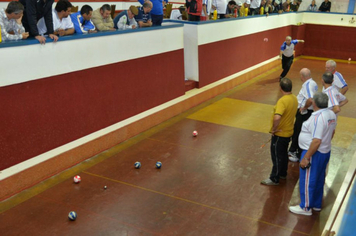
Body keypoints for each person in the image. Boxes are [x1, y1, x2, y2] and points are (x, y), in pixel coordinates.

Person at [289, 92, 336, 216]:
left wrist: (306, 157)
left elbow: (316, 141)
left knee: (308, 180)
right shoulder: (331, 114)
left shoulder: (317, 118)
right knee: (320, 178)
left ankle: (305, 207)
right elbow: (332, 132)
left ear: (314, 103)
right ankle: (316, 204)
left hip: (313, 152)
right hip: (325, 151)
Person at [261, 78, 298, 185]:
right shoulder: (294, 98)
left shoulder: (282, 101)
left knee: (276, 155)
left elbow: (277, 117)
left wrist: (274, 129)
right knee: (283, 154)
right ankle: (282, 173)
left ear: (280, 88)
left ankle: (274, 178)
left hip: (280, 134)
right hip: (288, 132)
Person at [288, 68, 318, 162]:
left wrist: (304, 108)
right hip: (307, 112)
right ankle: (295, 150)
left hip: (304, 113)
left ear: (302, 76)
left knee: (298, 131)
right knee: (300, 130)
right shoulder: (313, 83)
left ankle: (296, 152)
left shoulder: (308, 85)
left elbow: (310, 99)